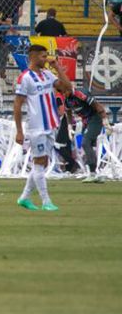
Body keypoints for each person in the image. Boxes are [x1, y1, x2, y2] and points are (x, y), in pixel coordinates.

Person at [14, 45, 60, 211]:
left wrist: (58, 67)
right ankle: (46, 201)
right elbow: (17, 105)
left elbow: (66, 87)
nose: (46, 58)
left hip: (51, 124)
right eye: (43, 56)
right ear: (33, 57)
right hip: (37, 127)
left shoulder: (48, 74)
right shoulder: (25, 78)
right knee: (39, 162)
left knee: (42, 163)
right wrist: (19, 130)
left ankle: (24, 198)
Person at [54, 76, 109, 183]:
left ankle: (93, 173)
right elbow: (68, 113)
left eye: (63, 90)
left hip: (95, 118)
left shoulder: (79, 94)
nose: (63, 93)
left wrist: (105, 121)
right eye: (60, 91)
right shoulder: (67, 100)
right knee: (89, 146)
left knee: (85, 143)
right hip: (86, 121)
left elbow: (97, 105)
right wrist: (69, 126)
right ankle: (95, 174)